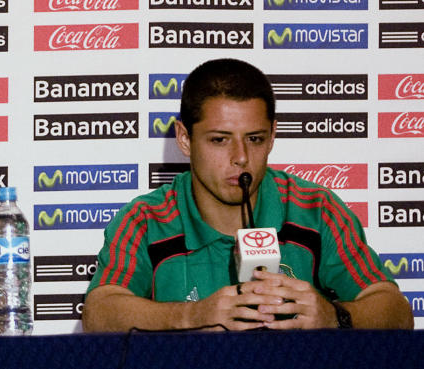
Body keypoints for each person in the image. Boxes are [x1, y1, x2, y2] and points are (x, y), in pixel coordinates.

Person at [83, 57, 412, 331]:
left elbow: (396, 311)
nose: (240, 157)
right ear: (184, 138)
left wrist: (334, 316)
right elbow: (99, 313)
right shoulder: (146, 219)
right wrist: (193, 316)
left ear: (272, 137)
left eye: (254, 139)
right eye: (219, 140)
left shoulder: (316, 209)